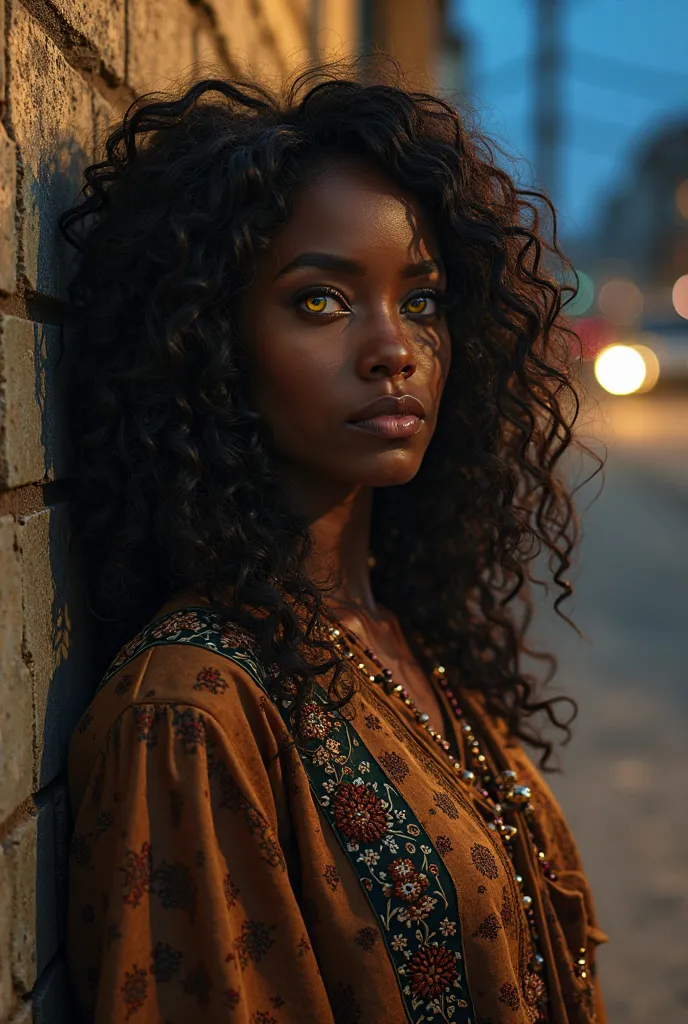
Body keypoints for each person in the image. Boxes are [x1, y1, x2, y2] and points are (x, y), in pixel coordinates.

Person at [60, 63, 607, 1024]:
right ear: (210, 342)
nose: (394, 347)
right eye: (322, 300)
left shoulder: (394, 627)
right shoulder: (193, 709)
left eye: (424, 301)